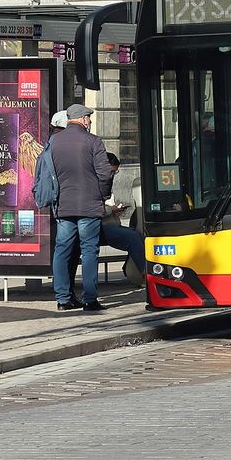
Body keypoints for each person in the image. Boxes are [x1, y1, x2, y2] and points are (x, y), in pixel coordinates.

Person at [50, 103, 113, 312]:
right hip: (89, 205)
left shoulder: (54, 141)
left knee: (62, 251)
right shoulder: (93, 141)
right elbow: (104, 174)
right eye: (89, 118)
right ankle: (89, 299)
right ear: (84, 119)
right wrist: (103, 196)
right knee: (88, 251)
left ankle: (62, 299)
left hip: (64, 205)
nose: (90, 121)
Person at [67, 152, 144, 288]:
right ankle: (144, 273)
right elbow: (93, 209)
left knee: (135, 232)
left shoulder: (103, 181)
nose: (113, 175)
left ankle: (135, 267)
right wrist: (111, 210)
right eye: (112, 171)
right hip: (96, 226)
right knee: (132, 237)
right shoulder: (92, 182)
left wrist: (115, 211)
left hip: (105, 223)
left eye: (115, 172)